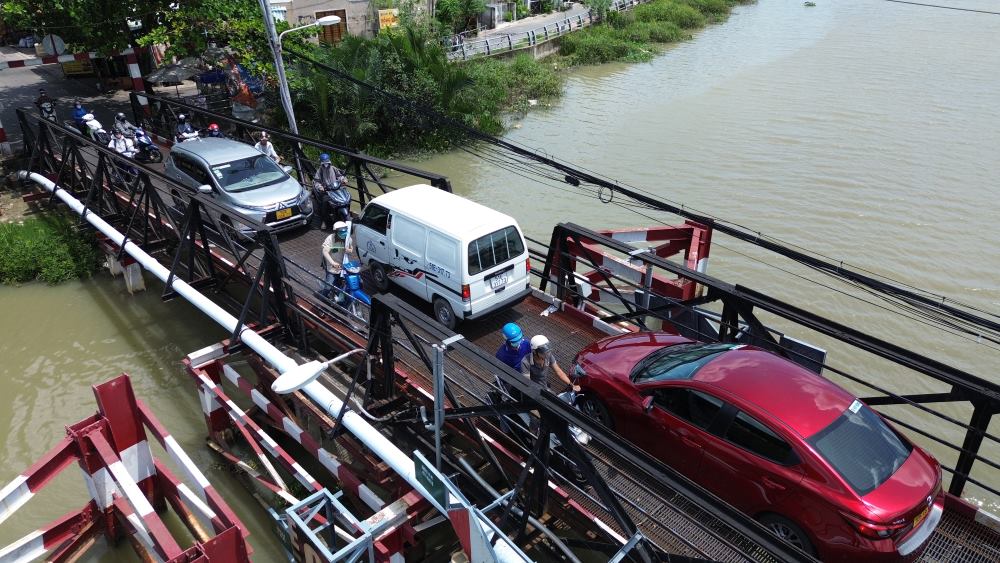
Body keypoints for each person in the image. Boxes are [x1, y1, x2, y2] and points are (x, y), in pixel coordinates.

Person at [320, 221, 358, 302]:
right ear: (336, 232)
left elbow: (351, 249)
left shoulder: (348, 239)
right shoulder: (330, 238)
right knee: (328, 286)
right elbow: (325, 251)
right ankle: (321, 302)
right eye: (341, 232)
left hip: (343, 267)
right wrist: (333, 263)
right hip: (332, 267)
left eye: (345, 231)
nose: (344, 234)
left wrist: (349, 250)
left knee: (345, 285)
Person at [313, 153, 350, 229]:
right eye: (324, 162)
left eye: (327, 162)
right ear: (322, 163)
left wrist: (344, 179)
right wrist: (320, 187)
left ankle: (345, 213)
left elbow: (339, 176)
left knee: (346, 197)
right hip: (327, 190)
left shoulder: (333, 168)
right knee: (324, 203)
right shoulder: (319, 171)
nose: (326, 164)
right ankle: (324, 221)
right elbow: (316, 181)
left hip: (336, 188)